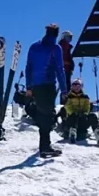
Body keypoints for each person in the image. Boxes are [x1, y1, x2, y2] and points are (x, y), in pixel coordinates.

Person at [25, 23, 68, 157]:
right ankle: (45, 146)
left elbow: (28, 67)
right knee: (47, 115)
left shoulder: (34, 46)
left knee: (43, 113)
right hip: (48, 84)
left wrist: (28, 87)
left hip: (36, 85)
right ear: (56, 34)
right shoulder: (56, 48)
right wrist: (64, 90)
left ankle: (44, 145)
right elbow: (60, 70)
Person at [58, 78, 99, 143]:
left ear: (81, 87)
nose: (76, 88)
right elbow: (68, 106)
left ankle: (98, 133)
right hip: (71, 121)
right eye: (74, 85)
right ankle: (72, 132)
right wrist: (73, 113)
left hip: (81, 121)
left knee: (92, 116)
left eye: (78, 86)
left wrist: (85, 113)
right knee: (73, 115)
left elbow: (87, 106)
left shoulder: (85, 97)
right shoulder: (69, 97)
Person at [59, 30, 75, 104]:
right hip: (64, 68)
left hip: (66, 68)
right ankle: (65, 101)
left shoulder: (65, 46)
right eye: (69, 37)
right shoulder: (63, 46)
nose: (70, 39)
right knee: (65, 85)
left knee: (66, 84)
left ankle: (65, 101)